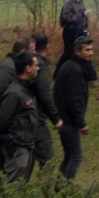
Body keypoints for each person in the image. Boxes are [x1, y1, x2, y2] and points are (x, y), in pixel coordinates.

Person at [0, 51, 45, 185]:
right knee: (14, 188)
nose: (38, 68)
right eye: (36, 65)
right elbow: (0, 120)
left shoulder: (27, 89)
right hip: (18, 148)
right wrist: (0, 136)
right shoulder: (15, 93)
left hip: (27, 145)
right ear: (28, 68)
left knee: (23, 186)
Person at [55, 33, 96, 180]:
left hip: (63, 118)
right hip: (69, 121)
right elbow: (74, 100)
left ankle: (58, 188)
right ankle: (66, 188)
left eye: (92, 49)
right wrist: (81, 123)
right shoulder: (75, 71)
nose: (91, 53)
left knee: (68, 156)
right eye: (87, 50)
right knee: (76, 157)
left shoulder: (73, 65)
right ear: (77, 52)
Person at [31, 32, 62, 168]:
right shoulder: (41, 67)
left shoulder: (28, 63)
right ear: (48, 47)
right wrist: (56, 119)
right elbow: (45, 95)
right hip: (36, 119)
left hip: (28, 118)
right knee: (49, 162)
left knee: (26, 162)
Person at [59, 0, 89, 69]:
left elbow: (84, 18)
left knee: (83, 51)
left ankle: (85, 73)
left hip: (81, 31)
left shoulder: (81, 2)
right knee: (68, 53)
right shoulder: (69, 3)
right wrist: (82, 14)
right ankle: (59, 72)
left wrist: (86, 29)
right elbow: (66, 18)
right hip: (70, 32)